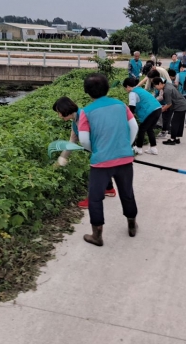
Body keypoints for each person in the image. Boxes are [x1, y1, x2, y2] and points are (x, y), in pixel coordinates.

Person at [78, 73, 139, 246]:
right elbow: (134, 127)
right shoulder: (121, 105)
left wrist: (96, 150)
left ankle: (97, 235)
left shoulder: (86, 112)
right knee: (127, 193)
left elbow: (83, 140)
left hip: (100, 162)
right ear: (107, 88)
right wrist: (126, 146)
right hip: (124, 158)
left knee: (95, 198)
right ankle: (132, 225)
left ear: (87, 91)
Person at [52, 97, 117, 209]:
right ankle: (109, 189)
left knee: (96, 171)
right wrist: (61, 160)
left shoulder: (85, 116)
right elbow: (72, 142)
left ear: (65, 110)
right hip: (97, 147)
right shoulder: (75, 122)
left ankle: (93, 199)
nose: (59, 116)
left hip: (104, 145)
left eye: (59, 112)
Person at [123, 77, 162, 155]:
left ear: (128, 86)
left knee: (142, 129)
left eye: (125, 88)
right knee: (149, 129)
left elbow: (132, 107)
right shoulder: (139, 89)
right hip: (158, 108)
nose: (125, 90)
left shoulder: (132, 93)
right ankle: (153, 148)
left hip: (150, 111)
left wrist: (128, 118)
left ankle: (139, 148)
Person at [153, 77, 186, 146]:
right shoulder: (167, 84)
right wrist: (165, 107)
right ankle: (177, 138)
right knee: (179, 122)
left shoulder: (167, 90)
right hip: (184, 104)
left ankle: (172, 140)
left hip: (180, 107)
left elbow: (169, 104)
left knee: (174, 122)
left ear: (160, 83)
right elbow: (170, 102)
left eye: (155, 86)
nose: (155, 88)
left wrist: (160, 110)